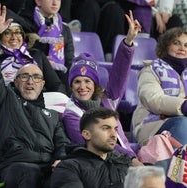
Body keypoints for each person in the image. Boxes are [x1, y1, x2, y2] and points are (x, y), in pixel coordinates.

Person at [0, 3, 71, 188]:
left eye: (36, 77)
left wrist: (61, 159)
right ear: (15, 81)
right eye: (25, 77)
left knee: (72, 173)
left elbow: (62, 143)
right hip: (11, 166)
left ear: (43, 83)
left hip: (45, 166)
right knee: (28, 172)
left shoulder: (51, 111)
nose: (31, 81)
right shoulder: (3, 99)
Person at [62, 10, 143, 166]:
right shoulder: (71, 113)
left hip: (126, 161)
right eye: (77, 81)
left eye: (87, 81)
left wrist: (128, 42)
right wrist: (132, 160)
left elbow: (120, 74)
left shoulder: (107, 101)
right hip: (104, 166)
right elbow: (96, 145)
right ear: (71, 85)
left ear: (95, 85)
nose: (82, 86)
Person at [3, 0, 75, 95]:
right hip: (31, 76)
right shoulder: (25, 24)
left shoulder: (64, 29)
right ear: (38, 1)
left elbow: (69, 62)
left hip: (58, 79)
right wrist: (44, 62)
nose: (55, 3)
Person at [50, 107, 132, 188]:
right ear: (86, 134)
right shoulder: (69, 167)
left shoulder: (124, 161)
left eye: (115, 129)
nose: (114, 135)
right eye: (106, 128)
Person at [132, 27, 187, 146]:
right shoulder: (150, 69)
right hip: (152, 125)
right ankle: (176, 164)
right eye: (176, 43)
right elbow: (153, 100)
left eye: (186, 45)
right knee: (183, 123)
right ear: (165, 46)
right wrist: (183, 106)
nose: (182, 48)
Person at [0, 22, 66, 93]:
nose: (14, 37)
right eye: (8, 33)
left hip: (37, 100)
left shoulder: (36, 54)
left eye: (18, 32)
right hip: (7, 99)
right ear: (0, 37)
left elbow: (55, 84)